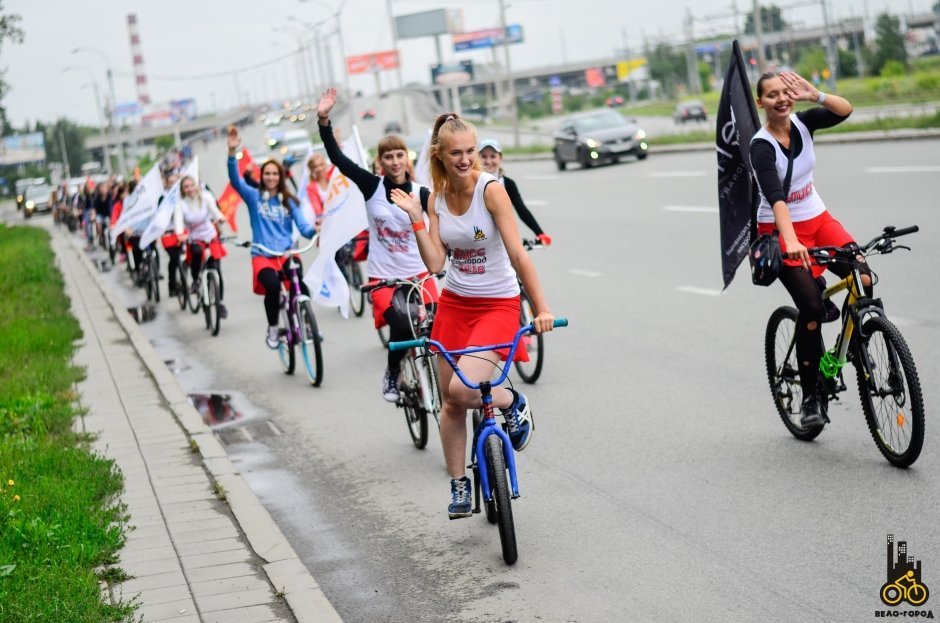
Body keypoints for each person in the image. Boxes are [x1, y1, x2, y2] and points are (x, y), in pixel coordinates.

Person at [390, 112, 555, 519]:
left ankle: (513, 401)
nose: (465, 160)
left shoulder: (491, 191)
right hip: (455, 304)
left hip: (498, 303)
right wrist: (416, 219)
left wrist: (542, 308)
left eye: (470, 152)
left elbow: (518, 254)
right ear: (440, 156)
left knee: (467, 390)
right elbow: (434, 263)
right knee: (451, 403)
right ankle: (459, 484)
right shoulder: (436, 198)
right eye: (456, 154)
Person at [749, 70, 869, 430]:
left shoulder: (803, 123)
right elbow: (777, 199)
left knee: (862, 275)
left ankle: (854, 347)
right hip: (780, 228)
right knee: (812, 307)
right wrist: (791, 241)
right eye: (771, 95)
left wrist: (815, 94)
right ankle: (811, 396)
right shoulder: (760, 146)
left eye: (785, 92)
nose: (781, 99)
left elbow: (845, 110)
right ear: (761, 103)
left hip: (818, 219)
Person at [316, 87, 439, 403]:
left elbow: (443, 227)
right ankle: (394, 371)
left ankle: (444, 384)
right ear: (380, 161)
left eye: (400, 155)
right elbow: (338, 159)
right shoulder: (371, 186)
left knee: (440, 327)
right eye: (388, 156)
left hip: (420, 275)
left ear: (406, 158)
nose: (395, 161)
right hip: (385, 278)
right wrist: (323, 119)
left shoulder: (422, 193)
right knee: (401, 323)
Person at [226, 125, 316, 348]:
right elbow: (236, 181)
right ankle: (274, 328)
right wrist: (231, 153)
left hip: (286, 253)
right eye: (267, 173)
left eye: (275, 174)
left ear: (281, 177)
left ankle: (305, 324)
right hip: (263, 255)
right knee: (273, 288)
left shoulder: (290, 200)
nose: (271, 177)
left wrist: (315, 231)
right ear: (262, 176)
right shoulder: (253, 196)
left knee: (301, 288)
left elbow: (304, 227)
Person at [477, 138, 552, 246]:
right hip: (478, 240)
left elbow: (522, 210)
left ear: (500, 158)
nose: (488, 161)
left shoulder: (508, 184)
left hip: (504, 239)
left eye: (493, 156)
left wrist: (540, 233)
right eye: (484, 156)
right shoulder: (472, 183)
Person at [173, 175, 229, 318]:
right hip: (194, 238)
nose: (190, 189)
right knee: (196, 252)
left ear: (197, 186)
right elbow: (179, 222)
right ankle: (196, 280)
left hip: (210, 235)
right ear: (182, 190)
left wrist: (220, 218)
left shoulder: (206, 197)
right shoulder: (180, 205)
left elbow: (214, 211)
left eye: (192, 185)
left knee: (216, 269)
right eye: (186, 187)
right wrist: (180, 234)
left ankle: (219, 302)